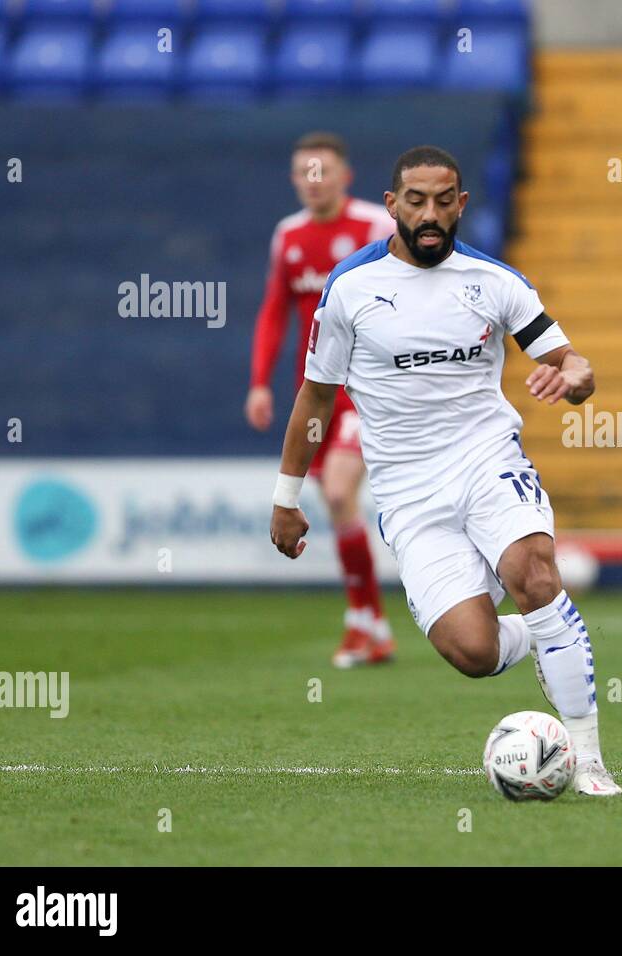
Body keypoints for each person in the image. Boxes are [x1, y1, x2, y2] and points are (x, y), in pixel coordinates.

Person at [268, 146, 621, 796]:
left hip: (488, 460)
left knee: (534, 574)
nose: (430, 214)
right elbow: (316, 397)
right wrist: (288, 496)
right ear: (392, 205)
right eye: (417, 200)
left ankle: (589, 760)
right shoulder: (350, 288)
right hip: (408, 492)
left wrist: (572, 378)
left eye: (444, 200)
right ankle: (545, 636)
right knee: (473, 653)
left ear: (461, 204)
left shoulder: (496, 281)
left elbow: (576, 367)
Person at [247, 132, 396, 668]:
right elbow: (273, 311)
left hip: (365, 388)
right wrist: (260, 382)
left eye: (323, 171)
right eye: (303, 173)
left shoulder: (375, 228)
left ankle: (365, 624)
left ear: (345, 176)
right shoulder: (287, 235)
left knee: (337, 492)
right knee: (340, 507)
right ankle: (371, 623)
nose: (314, 181)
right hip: (315, 392)